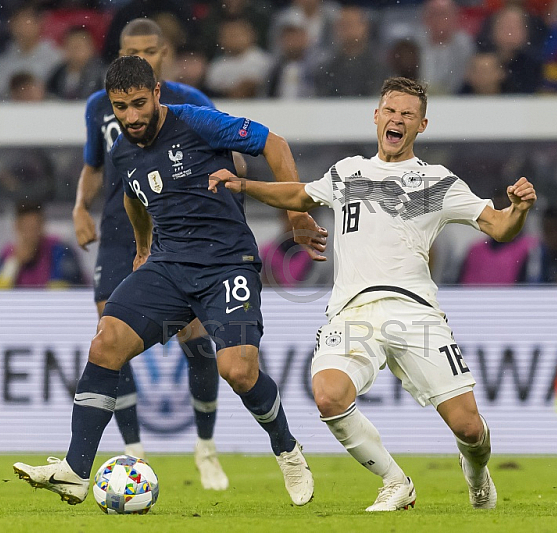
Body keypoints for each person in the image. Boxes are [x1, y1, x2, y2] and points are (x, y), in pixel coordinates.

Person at [209, 76, 537, 511]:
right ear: (377, 116)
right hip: (352, 312)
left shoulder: (437, 182)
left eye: (407, 114)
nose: (397, 119)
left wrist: (518, 209)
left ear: (421, 125)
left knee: (470, 429)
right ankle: (395, 482)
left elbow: (499, 226)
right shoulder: (348, 173)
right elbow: (300, 194)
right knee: (328, 395)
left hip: (415, 311)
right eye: (390, 111)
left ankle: (476, 472)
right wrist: (246, 185)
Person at [13, 55, 325, 507]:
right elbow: (136, 201)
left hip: (227, 265)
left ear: (157, 93)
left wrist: (296, 211)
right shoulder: (121, 150)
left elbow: (273, 143)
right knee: (105, 343)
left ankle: (287, 448)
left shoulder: (197, 122)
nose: (132, 116)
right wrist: (143, 248)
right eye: (122, 107)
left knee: (237, 370)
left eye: (140, 103)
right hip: (169, 266)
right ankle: (75, 471)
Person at [71, 17, 226, 490]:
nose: (144, 56)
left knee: (196, 342)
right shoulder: (102, 104)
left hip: (180, 235)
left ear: (166, 53)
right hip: (121, 235)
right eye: (132, 49)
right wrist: (80, 205)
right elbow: (94, 165)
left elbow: (227, 158)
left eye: (153, 49)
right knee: (109, 339)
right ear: (118, 54)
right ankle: (133, 452)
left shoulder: (192, 102)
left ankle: (206, 448)